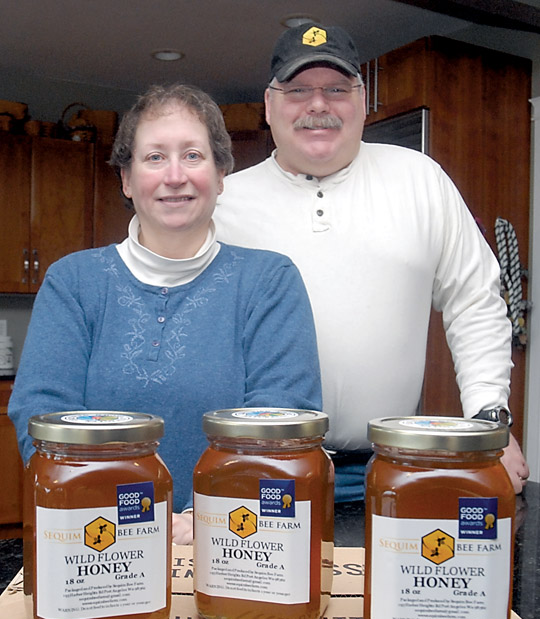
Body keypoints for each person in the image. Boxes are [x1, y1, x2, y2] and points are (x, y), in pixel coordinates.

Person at [214, 23, 529, 498]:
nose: (318, 105)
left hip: (394, 469)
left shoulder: (419, 179)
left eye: (337, 89)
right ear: (269, 105)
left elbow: (476, 303)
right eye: (298, 90)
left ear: (362, 101)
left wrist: (489, 421)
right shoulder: (222, 204)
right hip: (260, 470)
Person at [8, 83, 322, 544]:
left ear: (220, 176)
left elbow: (281, 416)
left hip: (242, 537)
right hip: (98, 538)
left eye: (193, 155)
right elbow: (44, 414)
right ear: (127, 180)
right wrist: (129, 516)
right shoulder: (73, 282)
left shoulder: (269, 281)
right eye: (154, 157)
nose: (175, 175)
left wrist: (207, 517)